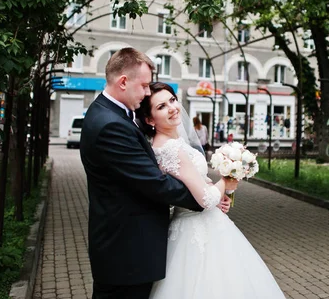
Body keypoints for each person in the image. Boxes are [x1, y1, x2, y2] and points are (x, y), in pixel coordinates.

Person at [79, 48, 231, 299]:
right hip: (125, 252)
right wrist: (208, 195)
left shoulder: (114, 115)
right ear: (124, 82)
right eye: (145, 86)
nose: (148, 92)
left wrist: (208, 190)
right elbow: (156, 184)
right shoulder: (110, 125)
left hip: (128, 249)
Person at [138, 82, 286, 299]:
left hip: (198, 221)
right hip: (197, 227)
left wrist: (218, 194)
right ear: (150, 120)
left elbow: (191, 185)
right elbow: (205, 199)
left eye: (172, 100)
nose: (172, 108)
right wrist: (226, 181)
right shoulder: (171, 148)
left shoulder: (171, 142)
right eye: (161, 107)